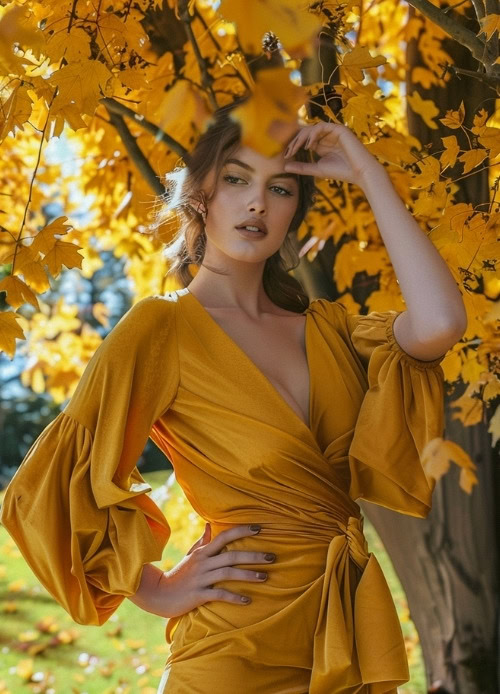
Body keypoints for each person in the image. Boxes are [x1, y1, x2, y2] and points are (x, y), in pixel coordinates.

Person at [1, 96, 466, 694]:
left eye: (281, 189)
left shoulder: (329, 330)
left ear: (295, 210)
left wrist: (368, 172)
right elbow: (45, 487)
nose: (256, 202)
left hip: (340, 627)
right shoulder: (160, 328)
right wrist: (155, 589)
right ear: (200, 196)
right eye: (236, 180)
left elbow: (440, 324)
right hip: (230, 644)